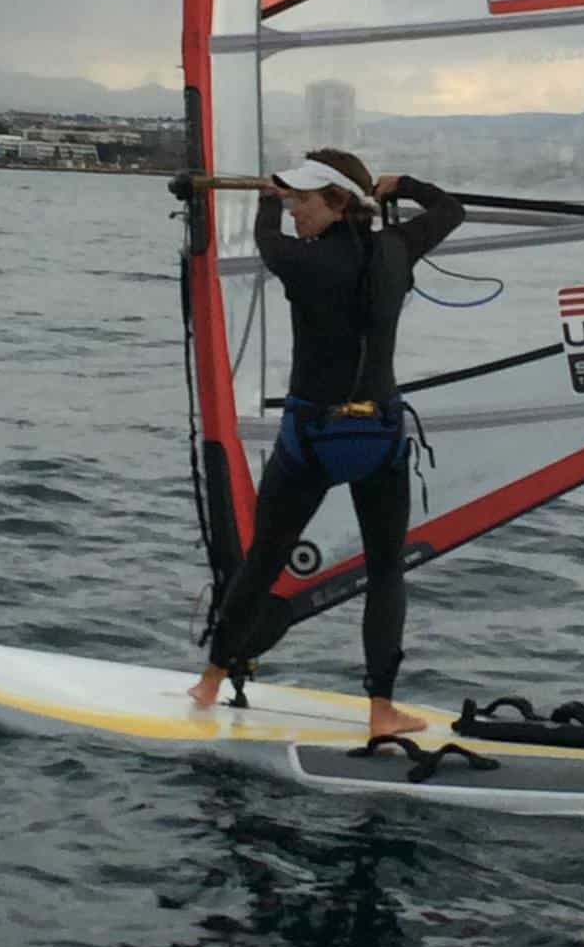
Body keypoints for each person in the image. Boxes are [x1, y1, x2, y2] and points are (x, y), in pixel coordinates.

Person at [188, 147, 465, 737]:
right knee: (386, 571)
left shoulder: (301, 260)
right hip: (379, 437)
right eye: (290, 201)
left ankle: (211, 679)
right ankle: (381, 709)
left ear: (338, 202)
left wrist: (265, 200)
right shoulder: (399, 247)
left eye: (303, 200)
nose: (294, 212)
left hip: (311, 439)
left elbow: (266, 242)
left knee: (264, 559)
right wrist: (404, 183)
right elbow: (451, 210)